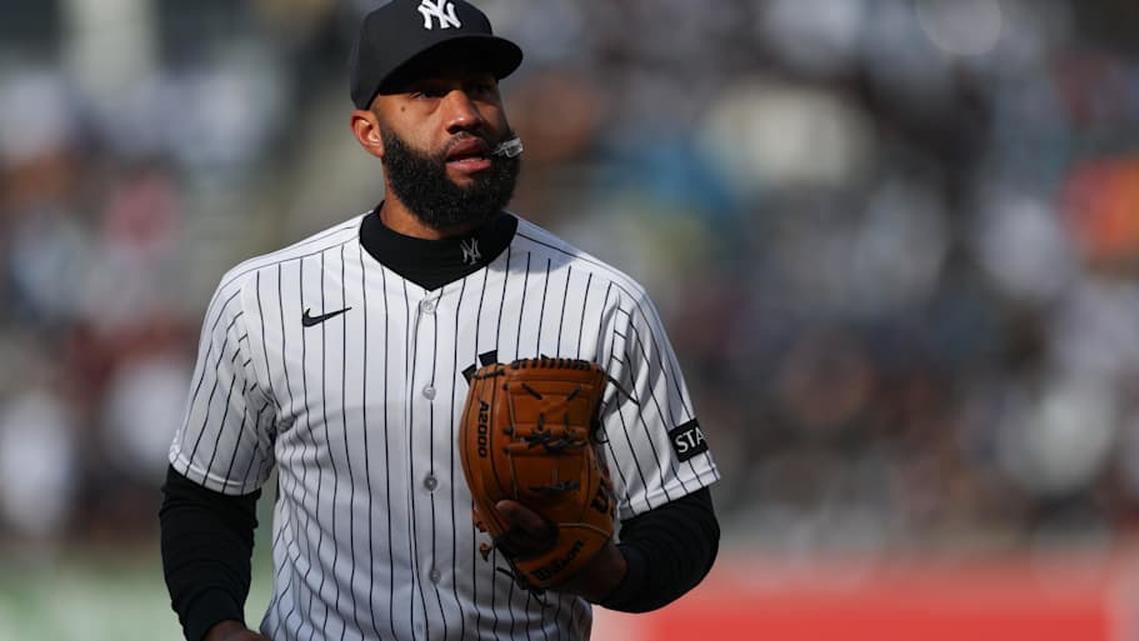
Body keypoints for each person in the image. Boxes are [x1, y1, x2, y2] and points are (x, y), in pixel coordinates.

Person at [159, 1, 720, 640]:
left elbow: (682, 519)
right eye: (427, 93)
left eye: (480, 89)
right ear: (370, 132)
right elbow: (205, 501)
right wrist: (218, 628)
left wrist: (609, 572)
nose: (464, 114)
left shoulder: (603, 303)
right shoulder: (261, 297)